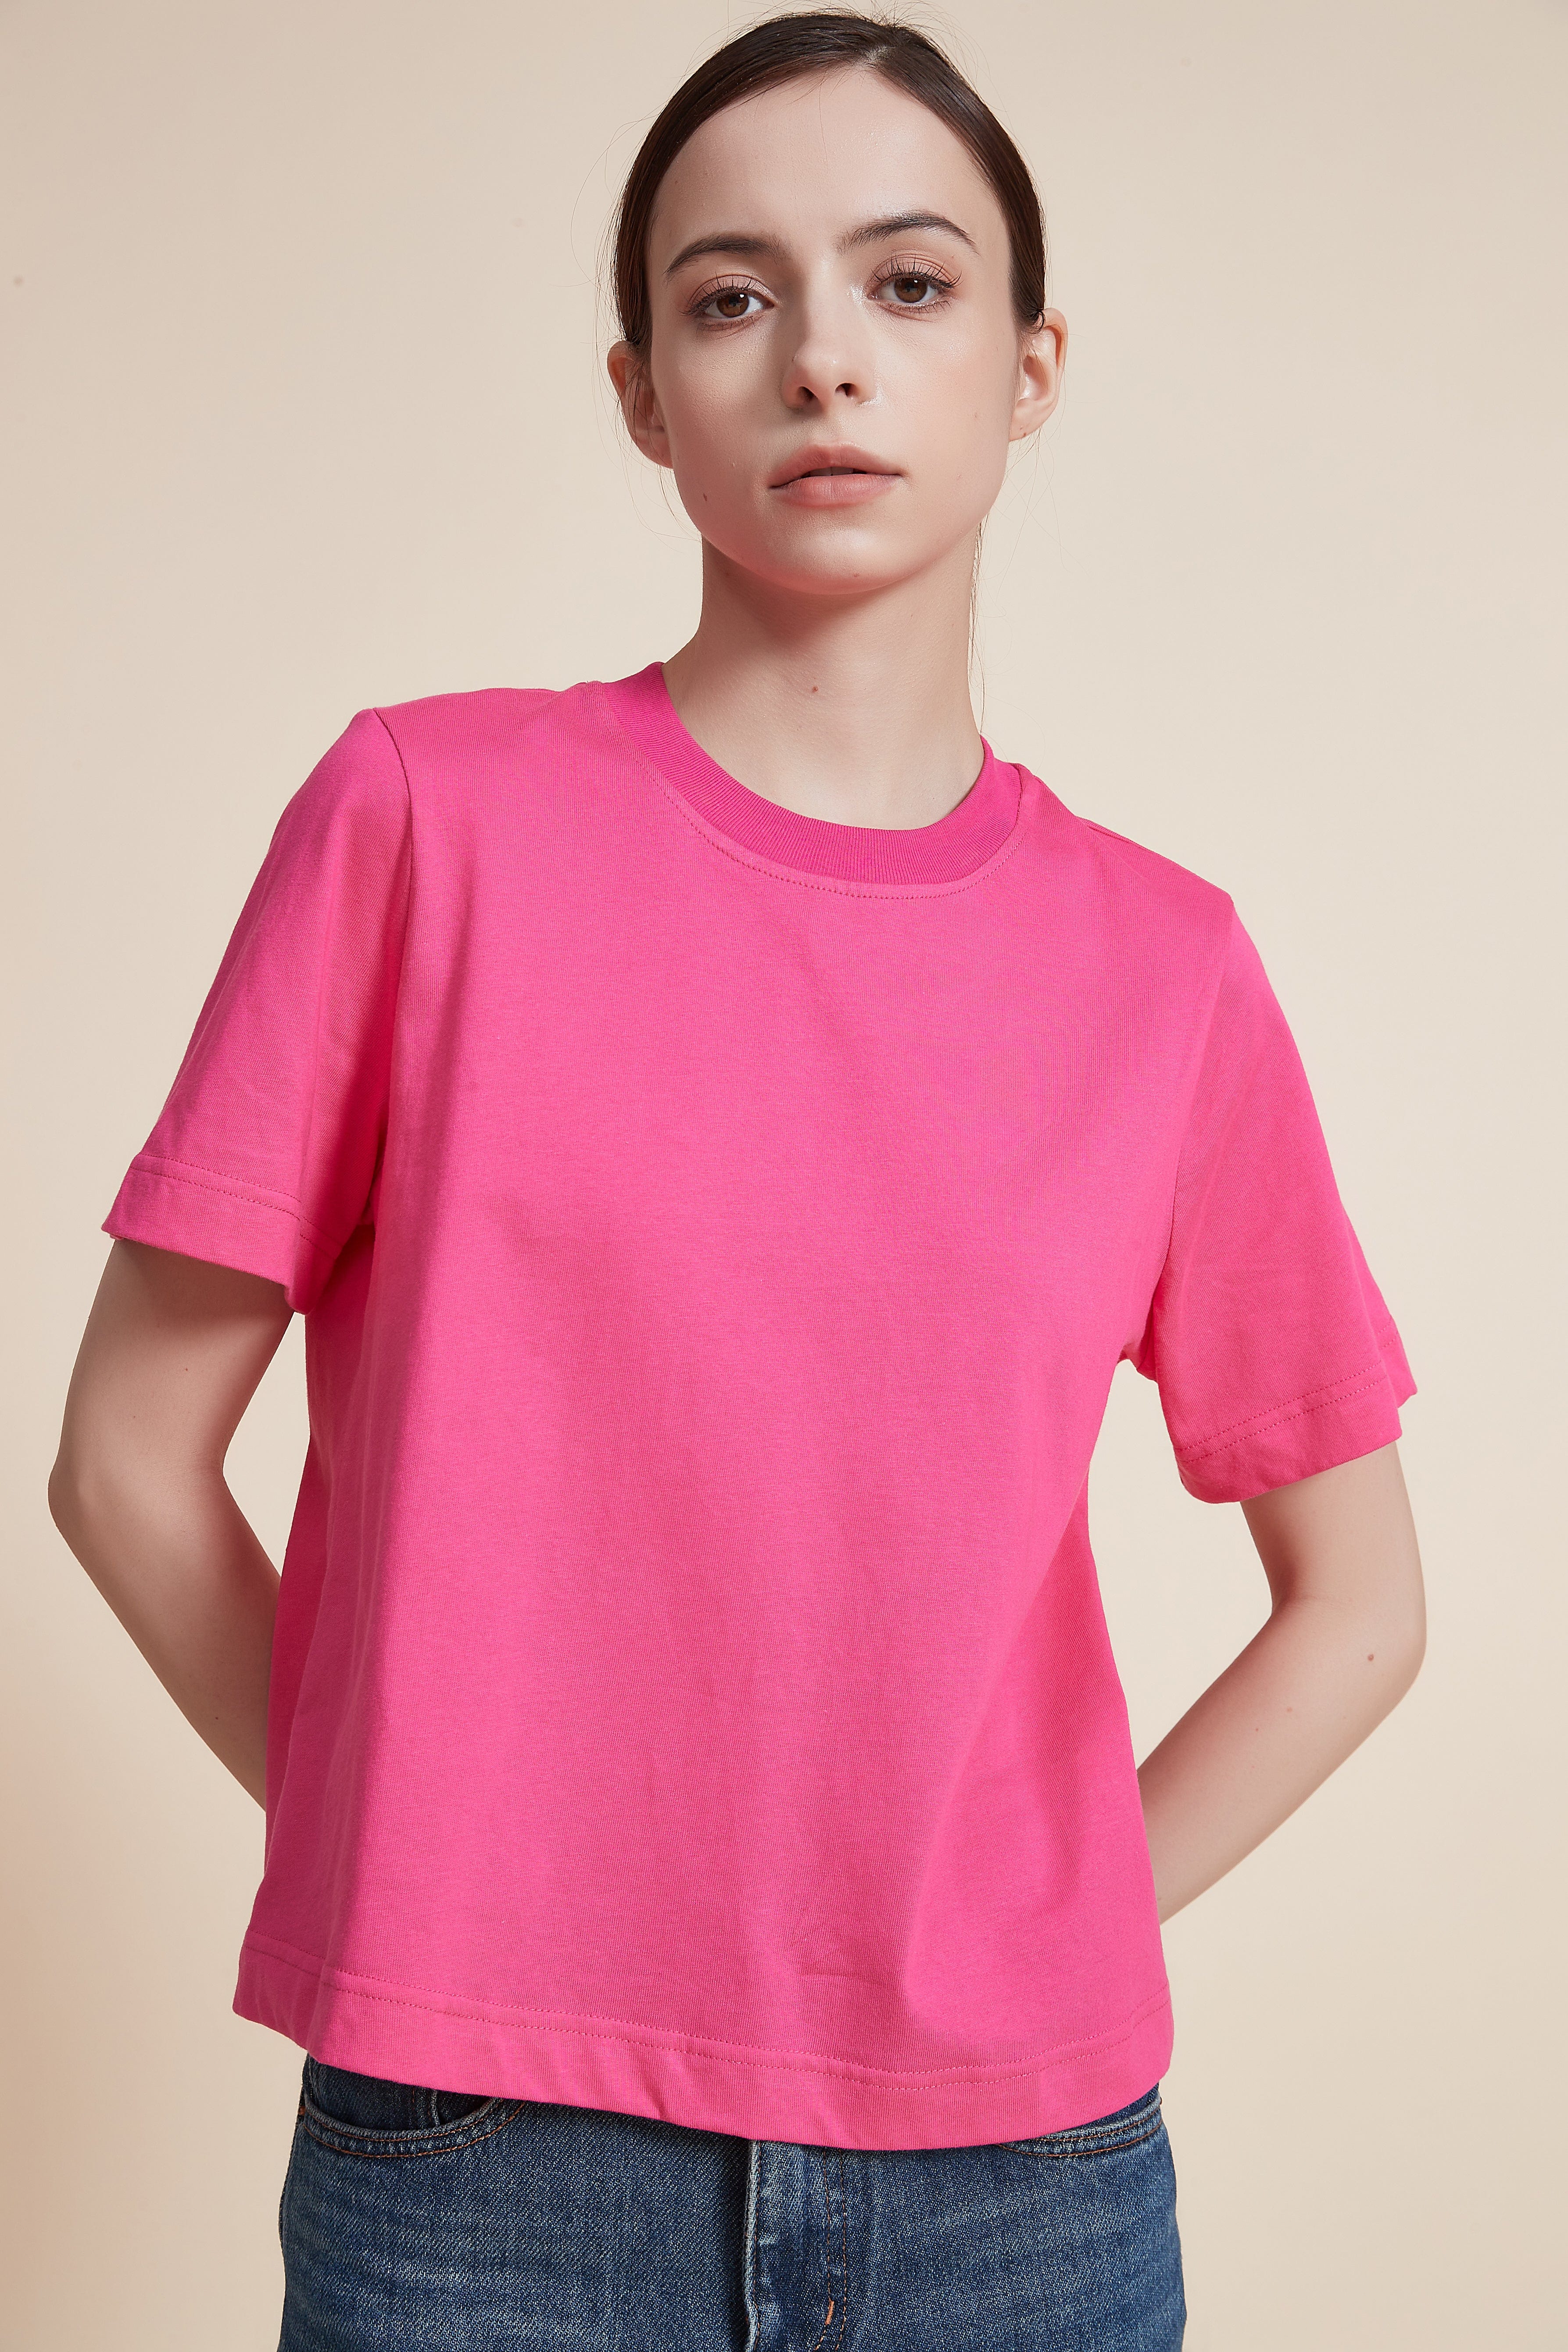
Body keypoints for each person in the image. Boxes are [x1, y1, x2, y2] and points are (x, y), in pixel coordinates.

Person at [47, 12, 1425, 2348]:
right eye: (729, 297)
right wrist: (425, 1882)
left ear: (1031, 367)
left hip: (1020, 2193)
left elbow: (1360, 1604)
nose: (821, 361)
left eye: (910, 283)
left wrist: (1054, 1936)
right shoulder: (424, 827)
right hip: (478, 2162)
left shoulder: (1163, 969)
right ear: (640, 394)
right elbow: (122, 1461)